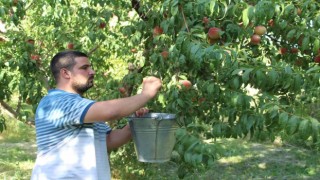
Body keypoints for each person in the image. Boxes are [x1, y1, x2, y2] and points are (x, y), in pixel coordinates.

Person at [31, 50, 162, 180]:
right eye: (84, 68)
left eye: (91, 67)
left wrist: (133, 123)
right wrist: (146, 94)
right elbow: (110, 112)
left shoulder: (82, 107)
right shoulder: (56, 102)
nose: (92, 72)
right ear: (65, 73)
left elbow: (108, 141)